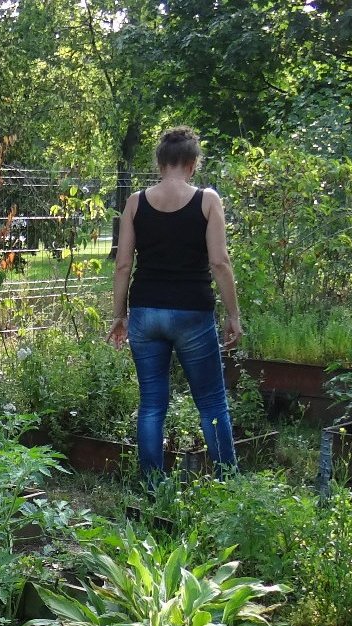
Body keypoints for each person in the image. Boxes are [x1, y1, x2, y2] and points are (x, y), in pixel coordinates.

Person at [107, 127, 242, 481]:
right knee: (211, 402)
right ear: (194, 163)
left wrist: (119, 315)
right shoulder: (208, 200)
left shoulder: (135, 202)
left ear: (160, 162)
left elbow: (123, 264)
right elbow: (219, 262)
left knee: (152, 404)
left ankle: (152, 486)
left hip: (146, 312)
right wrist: (233, 314)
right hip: (192, 313)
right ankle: (228, 482)